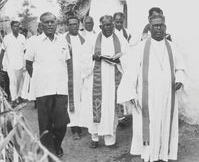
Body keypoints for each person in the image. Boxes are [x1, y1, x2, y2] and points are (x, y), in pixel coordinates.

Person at [118, 14, 186, 162]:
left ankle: (164, 154)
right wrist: (130, 93)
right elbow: (131, 72)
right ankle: (149, 155)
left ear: (165, 27)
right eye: (155, 25)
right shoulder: (140, 48)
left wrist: (179, 79)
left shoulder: (172, 47)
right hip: (147, 96)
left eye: (161, 25)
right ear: (149, 27)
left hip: (167, 95)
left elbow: (180, 68)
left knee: (165, 123)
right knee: (149, 125)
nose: (159, 28)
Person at [25, 12, 70, 158]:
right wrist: (40, 79)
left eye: (52, 22)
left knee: (61, 124)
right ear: (41, 25)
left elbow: (67, 61)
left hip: (60, 90)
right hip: (43, 90)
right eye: (46, 22)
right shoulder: (34, 42)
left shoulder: (63, 40)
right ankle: (49, 154)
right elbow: (28, 64)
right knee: (45, 126)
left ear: (56, 23)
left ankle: (56, 145)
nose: (50, 24)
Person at [80, 15, 128, 148]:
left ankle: (110, 140)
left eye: (110, 24)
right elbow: (83, 57)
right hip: (96, 80)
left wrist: (119, 60)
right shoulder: (92, 39)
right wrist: (93, 57)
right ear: (100, 26)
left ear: (113, 25)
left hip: (113, 81)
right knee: (95, 109)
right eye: (105, 25)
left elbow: (128, 55)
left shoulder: (120, 39)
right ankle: (94, 138)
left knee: (110, 110)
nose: (108, 27)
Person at [64, 16, 85, 140]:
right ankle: (74, 129)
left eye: (76, 24)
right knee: (72, 102)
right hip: (69, 77)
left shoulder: (84, 39)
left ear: (79, 25)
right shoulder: (63, 40)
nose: (74, 26)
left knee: (82, 101)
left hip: (82, 76)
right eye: (71, 24)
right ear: (68, 26)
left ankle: (81, 124)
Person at [0, 21, 26, 107]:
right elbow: (2, 52)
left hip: (21, 63)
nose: (17, 28)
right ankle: (14, 99)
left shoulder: (22, 37)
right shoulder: (7, 38)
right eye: (15, 26)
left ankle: (20, 96)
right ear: (11, 27)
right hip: (10, 64)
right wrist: (0, 63)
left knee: (20, 82)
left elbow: (25, 50)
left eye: (18, 26)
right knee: (12, 82)